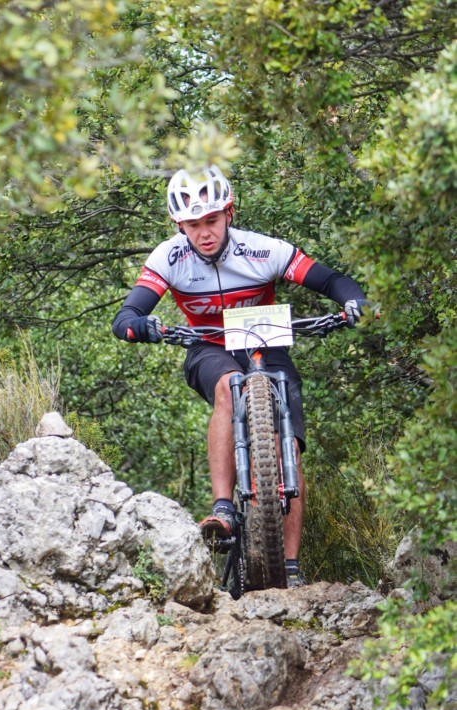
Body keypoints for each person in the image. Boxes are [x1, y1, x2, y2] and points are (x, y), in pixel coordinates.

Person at [112, 165, 367, 587]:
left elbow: (330, 280)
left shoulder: (262, 250)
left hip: (266, 340)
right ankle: (223, 507)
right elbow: (126, 315)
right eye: (193, 224)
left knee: (291, 442)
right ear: (180, 225)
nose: (204, 232)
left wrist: (354, 301)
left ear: (229, 214)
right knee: (229, 388)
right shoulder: (168, 257)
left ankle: (290, 566)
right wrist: (139, 326)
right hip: (208, 346)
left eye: (211, 220)